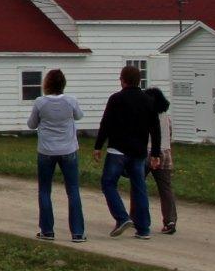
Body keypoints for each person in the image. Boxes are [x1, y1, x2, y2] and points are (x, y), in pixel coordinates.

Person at [93, 63, 161, 238]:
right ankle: (143, 228)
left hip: (118, 149)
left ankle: (122, 217)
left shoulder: (116, 99)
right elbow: (155, 129)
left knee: (108, 183)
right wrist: (155, 153)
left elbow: (106, 123)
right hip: (139, 150)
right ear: (139, 81)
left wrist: (98, 146)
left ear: (123, 80)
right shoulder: (149, 101)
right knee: (139, 187)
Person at [27, 68, 86, 242]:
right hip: (68, 149)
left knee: (45, 190)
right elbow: (79, 116)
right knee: (73, 190)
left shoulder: (40, 102)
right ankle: (77, 232)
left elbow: (31, 124)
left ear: (47, 84)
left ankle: (47, 230)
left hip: (46, 150)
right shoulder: (70, 101)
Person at [143, 79, 178, 234]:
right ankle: (170, 220)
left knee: (138, 185)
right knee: (165, 189)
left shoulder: (146, 115)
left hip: (146, 152)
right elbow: (169, 134)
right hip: (165, 152)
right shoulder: (165, 116)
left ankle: (136, 216)